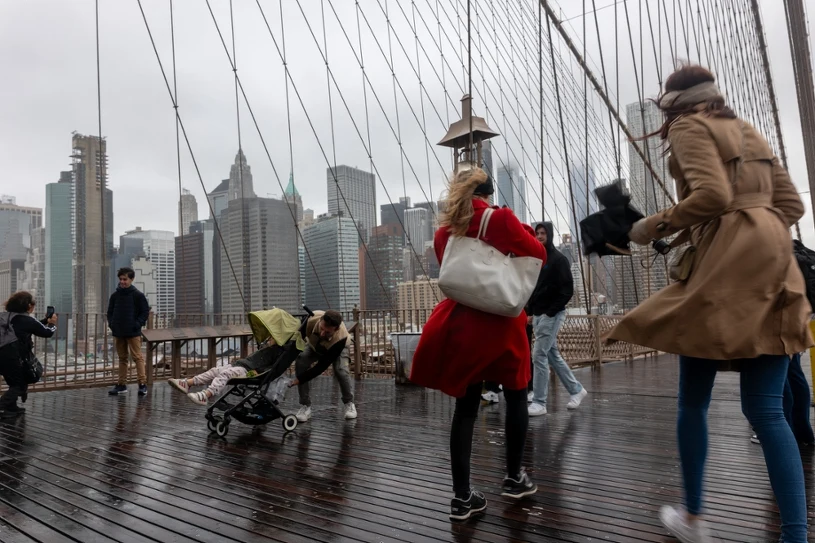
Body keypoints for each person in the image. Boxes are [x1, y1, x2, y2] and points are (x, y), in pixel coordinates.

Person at [608, 65, 812, 543]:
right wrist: (753, 226)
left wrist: (649, 227)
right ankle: (796, 537)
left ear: (674, 102)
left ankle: (694, 518)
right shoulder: (747, 130)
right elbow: (792, 206)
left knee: (693, 400)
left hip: (726, 266)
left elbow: (714, 194)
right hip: (775, 260)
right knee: (767, 412)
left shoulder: (687, 126)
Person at [409, 167, 545, 521]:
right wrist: (521, 227)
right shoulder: (499, 219)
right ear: (487, 193)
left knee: (465, 410)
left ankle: (462, 498)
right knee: (516, 396)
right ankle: (514, 478)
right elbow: (537, 253)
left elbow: (455, 272)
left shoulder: (444, 232)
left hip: (463, 324)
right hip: (502, 326)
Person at [527, 222, 587, 416]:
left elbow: (567, 290)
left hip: (550, 315)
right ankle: (577, 390)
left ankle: (539, 402)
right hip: (538, 314)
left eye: (543, 233)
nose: (540, 236)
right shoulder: (537, 259)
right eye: (537, 233)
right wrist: (530, 311)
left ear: (550, 235)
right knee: (551, 354)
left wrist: (550, 312)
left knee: (539, 355)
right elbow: (533, 288)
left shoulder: (559, 259)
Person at [288, 310, 357, 422]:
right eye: (322, 329)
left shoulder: (341, 338)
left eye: (328, 332)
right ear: (320, 321)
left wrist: (298, 380)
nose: (322, 334)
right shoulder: (310, 320)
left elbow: (321, 366)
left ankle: (349, 403)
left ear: (336, 329)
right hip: (314, 346)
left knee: (341, 370)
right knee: (301, 360)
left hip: (335, 347)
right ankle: (305, 406)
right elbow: (296, 341)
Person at [169, 340, 288, 405]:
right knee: (214, 371)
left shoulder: (277, 353)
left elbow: (267, 369)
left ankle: (207, 395)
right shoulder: (266, 348)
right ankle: (188, 383)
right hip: (239, 364)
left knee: (225, 375)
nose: (269, 339)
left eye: (272, 338)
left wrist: (252, 374)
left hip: (246, 371)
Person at [0, 292, 57, 418]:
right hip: (13, 357)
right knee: (19, 385)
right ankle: (3, 406)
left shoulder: (5, 316)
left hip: (3, 355)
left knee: (13, 382)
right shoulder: (27, 320)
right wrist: (52, 324)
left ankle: (11, 408)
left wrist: (44, 321)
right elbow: (47, 333)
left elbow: (28, 327)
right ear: (28, 306)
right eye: (33, 305)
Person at [107, 267, 151, 396]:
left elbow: (145, 312)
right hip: (118, 331)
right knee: (122, 358)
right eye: (120, 279)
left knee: (137, 357)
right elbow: (110, 312)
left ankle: (142, 384)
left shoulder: (137, 295)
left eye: (125, 279)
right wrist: (112, 324)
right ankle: (121, 385)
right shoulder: (115, 295)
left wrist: (136, 324)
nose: (122, 282)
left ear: (131, 279)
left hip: (133, 332)